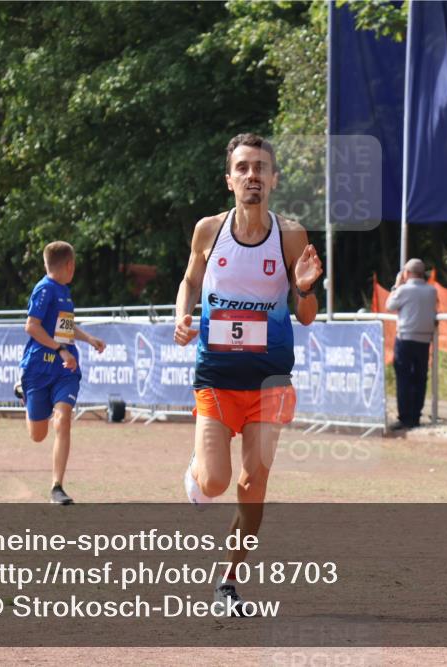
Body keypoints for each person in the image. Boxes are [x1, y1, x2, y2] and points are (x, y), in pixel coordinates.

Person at [174, 133, 322, 615]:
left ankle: (228, 581)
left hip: (270, 382)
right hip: (217, 376)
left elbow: (306, 315)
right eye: (243, 167)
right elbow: (192, 277)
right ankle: (194, 475)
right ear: (230, 179)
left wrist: (302, 289)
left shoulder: (292, 236)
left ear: (274, 180)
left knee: (252, 485)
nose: (252, 175)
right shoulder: (208, 230)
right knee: (215, 483)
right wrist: (183, 313)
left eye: (261, 167)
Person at [16, 241, 105, 505]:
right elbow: (31, 327)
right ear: (69, 265)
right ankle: (22, 393)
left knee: (63, 417)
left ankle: (57, 487)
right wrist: (60, 350)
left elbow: (64, 327)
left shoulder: (64, 292)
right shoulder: (44, 289)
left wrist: (88, 338)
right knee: (38, 435)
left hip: (64, 371)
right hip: (38, 369)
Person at [385, 258, 437, 431]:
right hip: (424, 340)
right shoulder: (432, 291)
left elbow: (390, 305)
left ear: (407, 273)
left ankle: (404, 416)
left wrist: (396, 285)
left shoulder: (404, 290)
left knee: (404, 378)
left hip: (405, 338)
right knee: (420, 377)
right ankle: (415, 416)